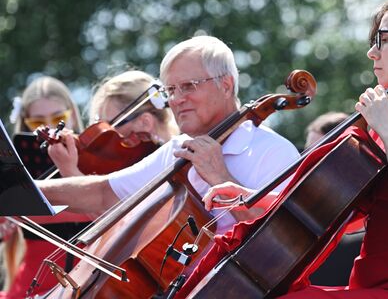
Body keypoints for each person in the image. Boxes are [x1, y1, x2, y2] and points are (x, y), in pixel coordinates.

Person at [203, 0, 388, 298]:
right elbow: (332, 208)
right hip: (373, 284)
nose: (372, 52)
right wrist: (255, 199)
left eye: (384, 39)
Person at [36, 35, 300, 237]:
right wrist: (21, 190)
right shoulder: (178, 149)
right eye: (171, 90)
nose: (177, 99)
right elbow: (103, 193)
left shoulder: (273, 151)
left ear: (226, 84)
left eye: (188, 86)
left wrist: (221, 177)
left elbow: (284, 237)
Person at [1, 76, 86, 298]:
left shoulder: (99, 158)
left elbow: (103, 210)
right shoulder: (13, 172)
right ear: (25, 122)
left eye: (59, 118)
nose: (49, 128)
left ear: (73, 116)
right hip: (33, 285)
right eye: (37, 122)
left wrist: (71, 172)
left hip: (90, 281)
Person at [48, 70, 179, 177]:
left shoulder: (173, 166)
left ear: (145, 123)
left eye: (111, 125)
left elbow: (114, 205)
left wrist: (71, 172)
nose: (104, 137)